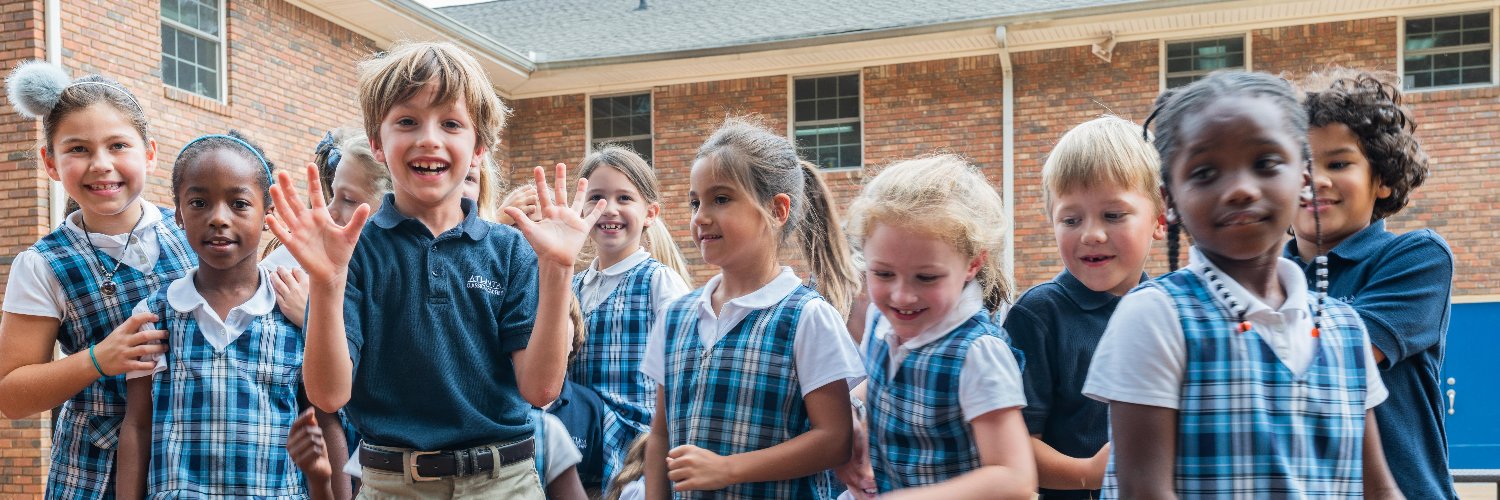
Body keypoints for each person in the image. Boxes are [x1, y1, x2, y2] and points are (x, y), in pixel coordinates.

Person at [267, 41, 601, 497]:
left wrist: (559, 269)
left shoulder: (510, 251)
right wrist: (327, 283)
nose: (429, 138)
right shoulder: (352, 252)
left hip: (504, 482)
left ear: (479, 147)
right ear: (377, 144)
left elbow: (540, 390)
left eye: (450, 123)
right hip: (391, 483)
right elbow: (329, 395)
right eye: (407, 121)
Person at [1082, 71, 1400, 498]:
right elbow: (1145, 491)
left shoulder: (1345, 329)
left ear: (1303, 178)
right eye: (1205, 172)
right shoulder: (1156, 316)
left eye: (1266, 164)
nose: (1240, 190)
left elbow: (1378, 490)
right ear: (1170, 199)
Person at [0, 61, 196, 499]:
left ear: (149, 153)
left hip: (193, 465)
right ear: (50, 162)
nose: (101, 164)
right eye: (78, 149)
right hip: (94, 476)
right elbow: (12, 394)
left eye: (118, 145)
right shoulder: (42, 265)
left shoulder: (194, 231)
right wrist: (99, 358)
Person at [642, 117, 864, 499]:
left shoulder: (807, 317)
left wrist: (728, 470)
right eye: (695, 202)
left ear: (777, 210)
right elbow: (661, 435)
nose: (701, 217)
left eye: (721, 199)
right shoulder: (675, 316)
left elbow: (835, 439)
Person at [116, 132, 337, 498]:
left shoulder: (294, 310)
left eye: (238, 203)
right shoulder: (155, 315)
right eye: (200, 202)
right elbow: (137, 425)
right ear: (179, 216)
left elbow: (323, 422)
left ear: (267, 215)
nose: (218, 218)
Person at [1291, 69, 1456, 499]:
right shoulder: (1258, 272)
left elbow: (1334, 360)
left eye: (1339, 163)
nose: (1316, 179)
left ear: (1381, 180)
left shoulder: (1415, 258)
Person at [839, 154, 1034, 499]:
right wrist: (851, 412)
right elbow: (887, 383)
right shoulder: (883, 323)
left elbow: (1014, 477)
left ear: (973, 264)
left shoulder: (978, 353)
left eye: (926, 277)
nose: (901, 295)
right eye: (882, 273)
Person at [1005, 116, 1165, 498]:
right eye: (1071, 219)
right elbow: (1012, 444)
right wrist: (1089, 473)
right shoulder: (1039, 315)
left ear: (1160, 220)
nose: (1091, 234)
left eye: (1113, 215)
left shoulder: (1169, 311)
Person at [572, 145, 692, 488]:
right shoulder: (572, 286)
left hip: (636, 456)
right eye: (597, 197)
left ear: (650, 212)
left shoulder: (659, 281)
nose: (609, 209)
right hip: (581, 451)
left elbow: (684, 370)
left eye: (624, 198)